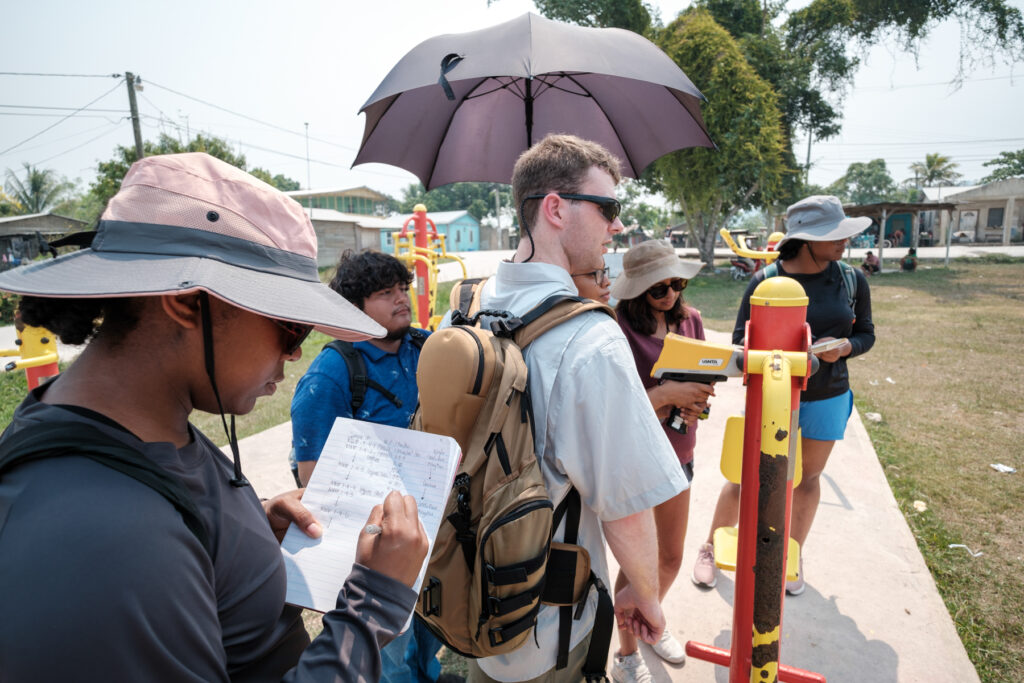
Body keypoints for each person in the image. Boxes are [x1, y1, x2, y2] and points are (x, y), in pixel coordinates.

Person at [0, 153, 429, 682]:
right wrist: (373, 603)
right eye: (288, 326)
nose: (294, 354)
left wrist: (245, 535)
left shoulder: (146, 432)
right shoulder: (105, 537)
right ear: (187, 303)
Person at [466, 135, 688, 683]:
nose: (617, 226)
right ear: (555, 208)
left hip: (470, 595)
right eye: (609, 208)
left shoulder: (471, 304)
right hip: (546, 624)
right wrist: (646, 592)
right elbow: (625, 503)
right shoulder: (589, 337)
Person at [691, 195, 875, 596]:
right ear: (806, 240)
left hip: (828, 396)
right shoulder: (766, 281)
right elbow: (742, 342)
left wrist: (844, 348)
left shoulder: (851, 279)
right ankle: (710, 547)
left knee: (806, 479)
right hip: (770, 397)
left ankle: (792, 554)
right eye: (833, 236)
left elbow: (866, 335)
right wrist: (785, 361)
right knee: (746, 477)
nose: (844, 243)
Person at [290, 248, 440, 683]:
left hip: (430, 528)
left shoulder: (426, 348)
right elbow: (314, 479)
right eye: (384, 293)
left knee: (431, 637)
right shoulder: (329, 375)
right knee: (392, 653)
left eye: (402, 289)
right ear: (354, 308)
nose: (401, 300)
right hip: (379, 545)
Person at [609, 240, 713, 679]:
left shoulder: (691, 321)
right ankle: (627, 650)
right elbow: (612, 407)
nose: (670, 293)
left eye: (677, 283)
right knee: (637, 562)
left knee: (669, 557)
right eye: (658, 288)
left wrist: (697, 405)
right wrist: (665, 395)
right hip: (636, 456)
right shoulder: (616, 329)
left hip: (680, 449)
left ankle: (651, 618)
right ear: (636, 290)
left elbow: (707, 383)